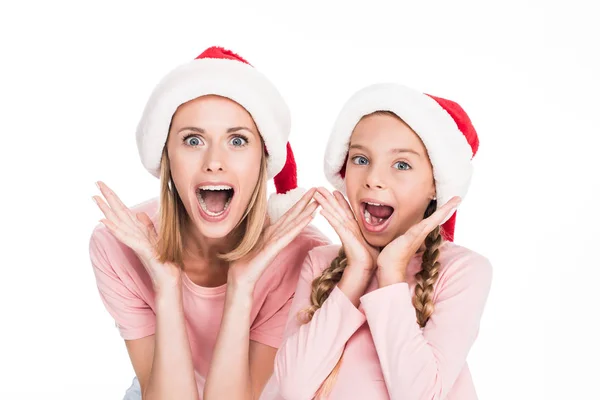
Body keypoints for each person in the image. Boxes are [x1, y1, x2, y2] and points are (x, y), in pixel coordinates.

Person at [89, 46, 329, 399]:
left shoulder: (305, 257)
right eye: (193, 140)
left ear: (263, 159)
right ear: (166, 155)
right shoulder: (119, 244)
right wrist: (166, 284)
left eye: (237, 141)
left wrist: (243, 285)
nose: (214, 162)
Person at [274, 83, 493, 399]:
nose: (373, 178)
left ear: (436, 185)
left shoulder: (462, 270)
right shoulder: (319, 261)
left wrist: (390, 275)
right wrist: (357, 272)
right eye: (360, 159)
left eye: (401, 165)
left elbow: (420, 395)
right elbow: (289, 389)